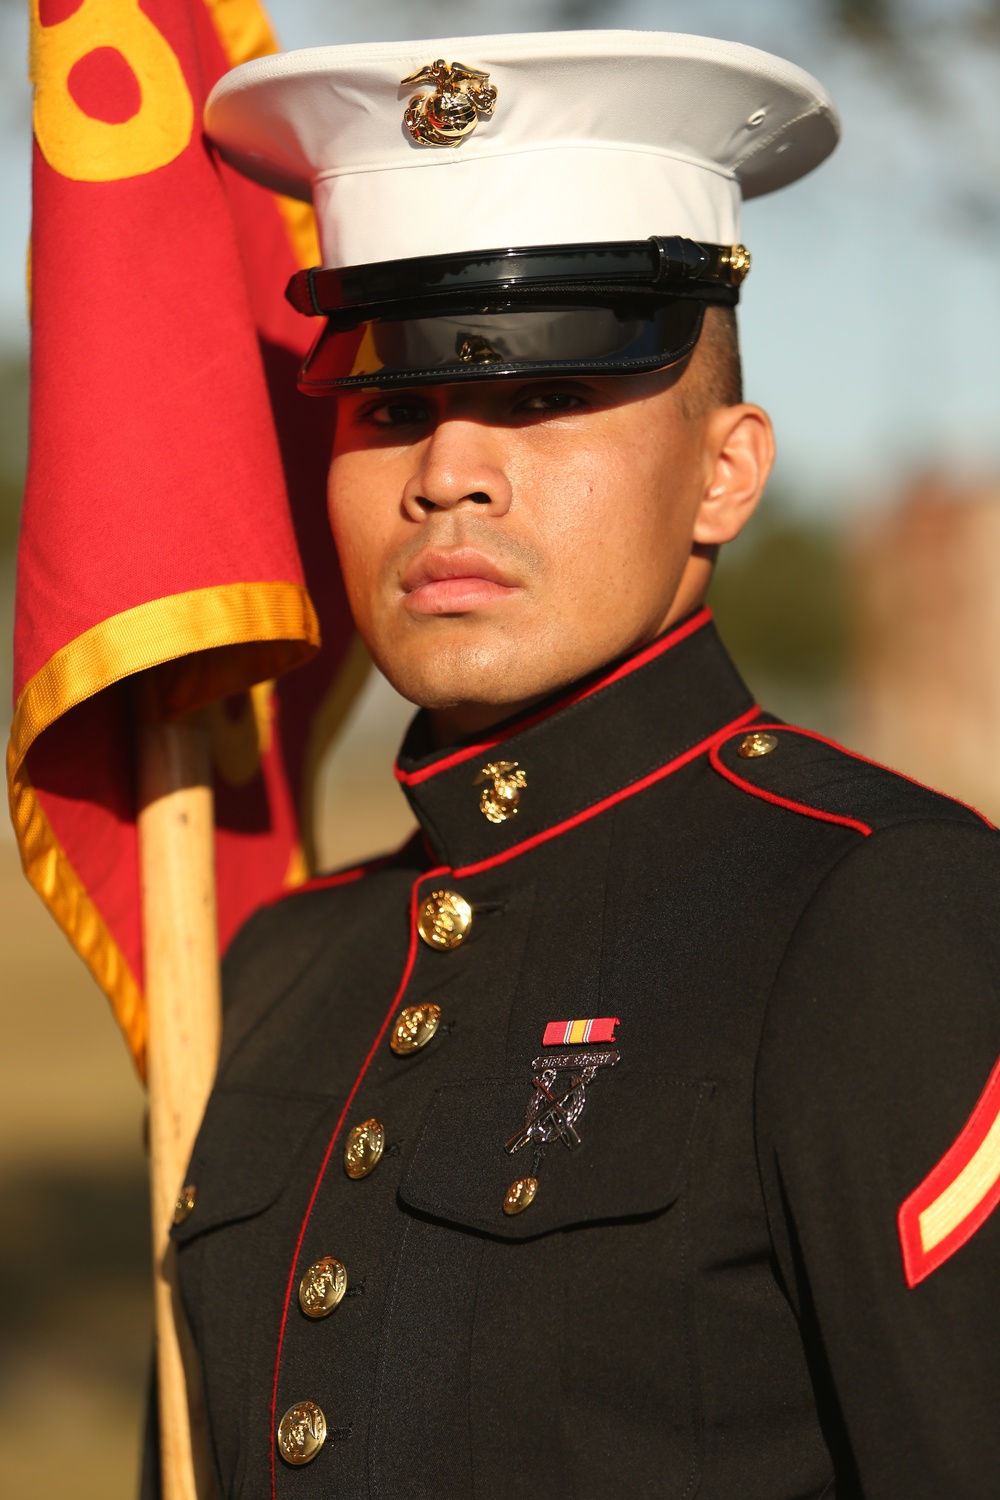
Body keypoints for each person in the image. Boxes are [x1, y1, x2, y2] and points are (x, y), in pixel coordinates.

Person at [150, 30, 1000, 1499]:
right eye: (391, 408)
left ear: (725, 472)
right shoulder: (282, 963)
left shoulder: (882, 909)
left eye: (541, 401)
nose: (446, 472)